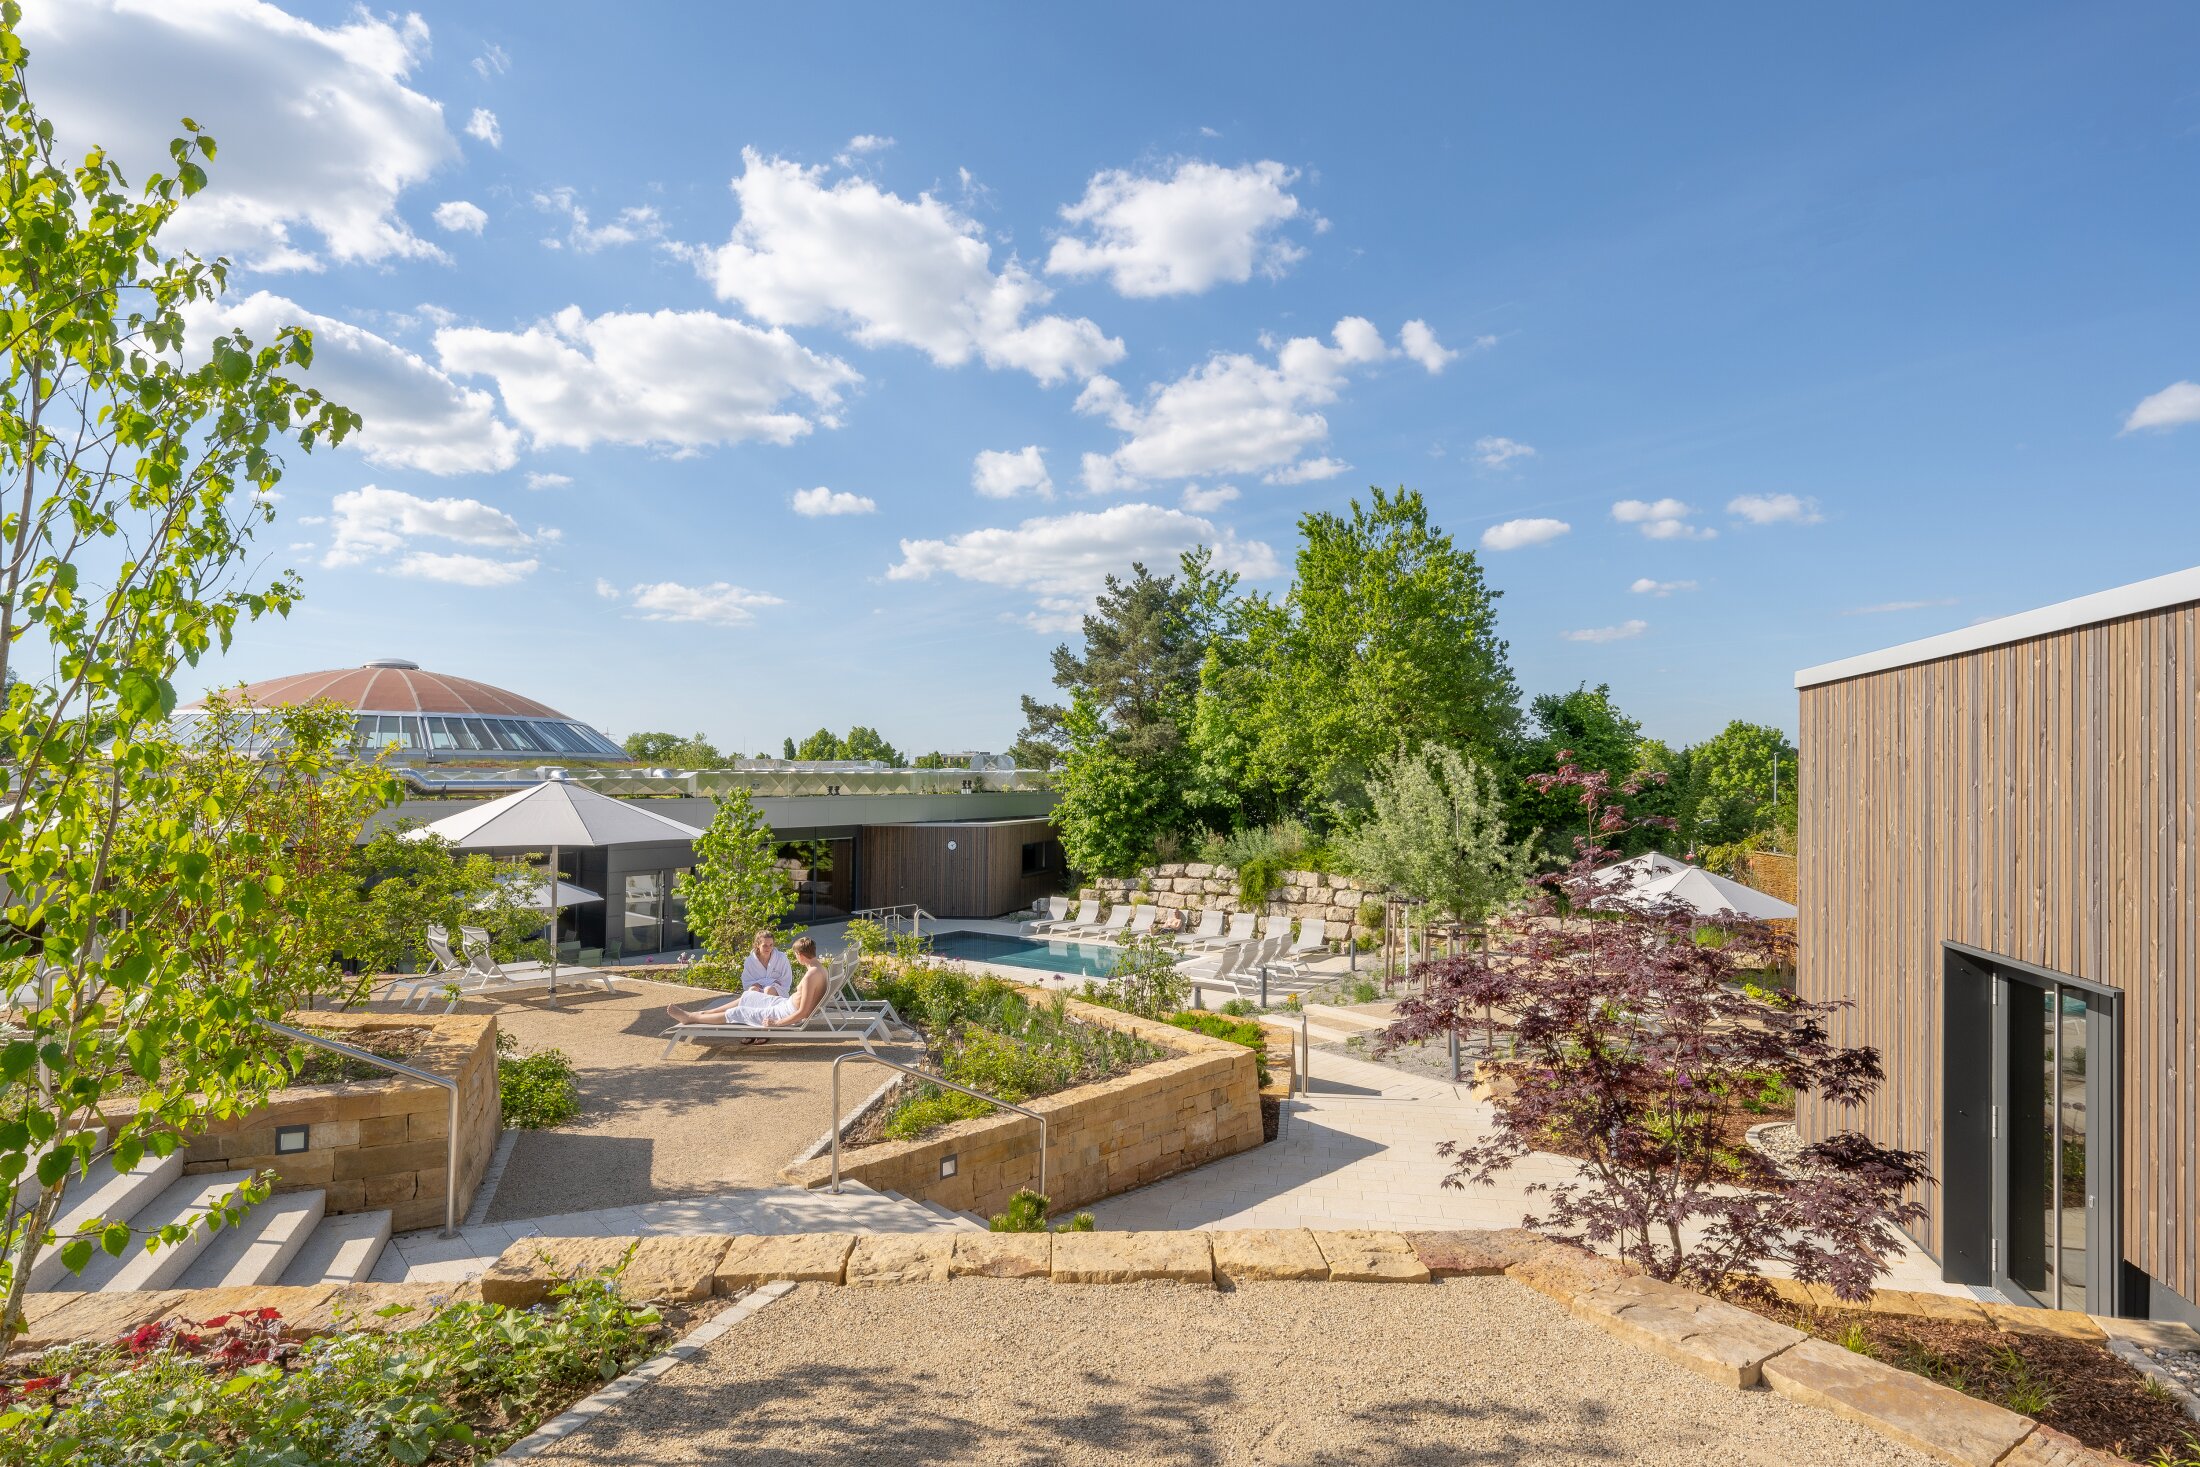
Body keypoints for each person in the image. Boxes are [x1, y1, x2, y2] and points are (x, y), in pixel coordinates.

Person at [667, 936, 828, 1028]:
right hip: (784, 1004)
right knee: (748, 997)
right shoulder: (821, 970)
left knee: (739, 1012)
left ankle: (692, 1018)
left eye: (795, 955)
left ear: (800, 955)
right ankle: (701, 1014)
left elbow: (803, 1013)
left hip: (783, 1012)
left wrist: (776, 1023)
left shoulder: (810, 977)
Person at [741, 930, 793, 997]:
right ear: (758, 945)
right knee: (752, 990)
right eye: (765, 945)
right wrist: (771, 981)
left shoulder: (781, 958)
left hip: (777, 992)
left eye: (771, 945)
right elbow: (746, 982)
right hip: (758, 990)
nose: (768, 948)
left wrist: (763, 983)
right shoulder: (750, 961)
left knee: (768, 990)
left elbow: (786, 980)